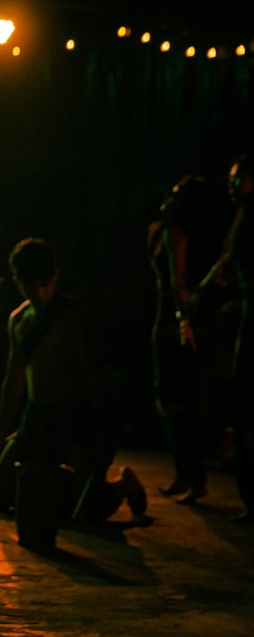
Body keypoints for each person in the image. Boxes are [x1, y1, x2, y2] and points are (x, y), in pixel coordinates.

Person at [0, 239, 146, 549]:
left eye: (43, 285)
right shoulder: (18, 321)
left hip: (73, 421)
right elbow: (14, 382)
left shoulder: (70, 316)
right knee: (0, 497)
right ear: (18, 282)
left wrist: (102, 434)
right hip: (35, 420)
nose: (39, 294)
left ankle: (123, 485)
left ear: (54, 278)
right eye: (30, 287)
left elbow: (91, 377)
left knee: (86, 510)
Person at [147, 176, 232, 503]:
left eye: (175, 193)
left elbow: (176, 280)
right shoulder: (190, 233)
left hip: (173, 321)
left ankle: (192, 475)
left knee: (172, 399)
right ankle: (187, 474)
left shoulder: (174, 233)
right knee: (181, 399)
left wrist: (183, 319)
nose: (168, 195)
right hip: (190, 319)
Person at [198, 153, 254, 522]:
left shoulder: (248, 217)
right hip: (247, 316)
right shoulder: (242, 217)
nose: (232, 187)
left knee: (245, 406)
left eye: (238, 179)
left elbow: (227, 266)